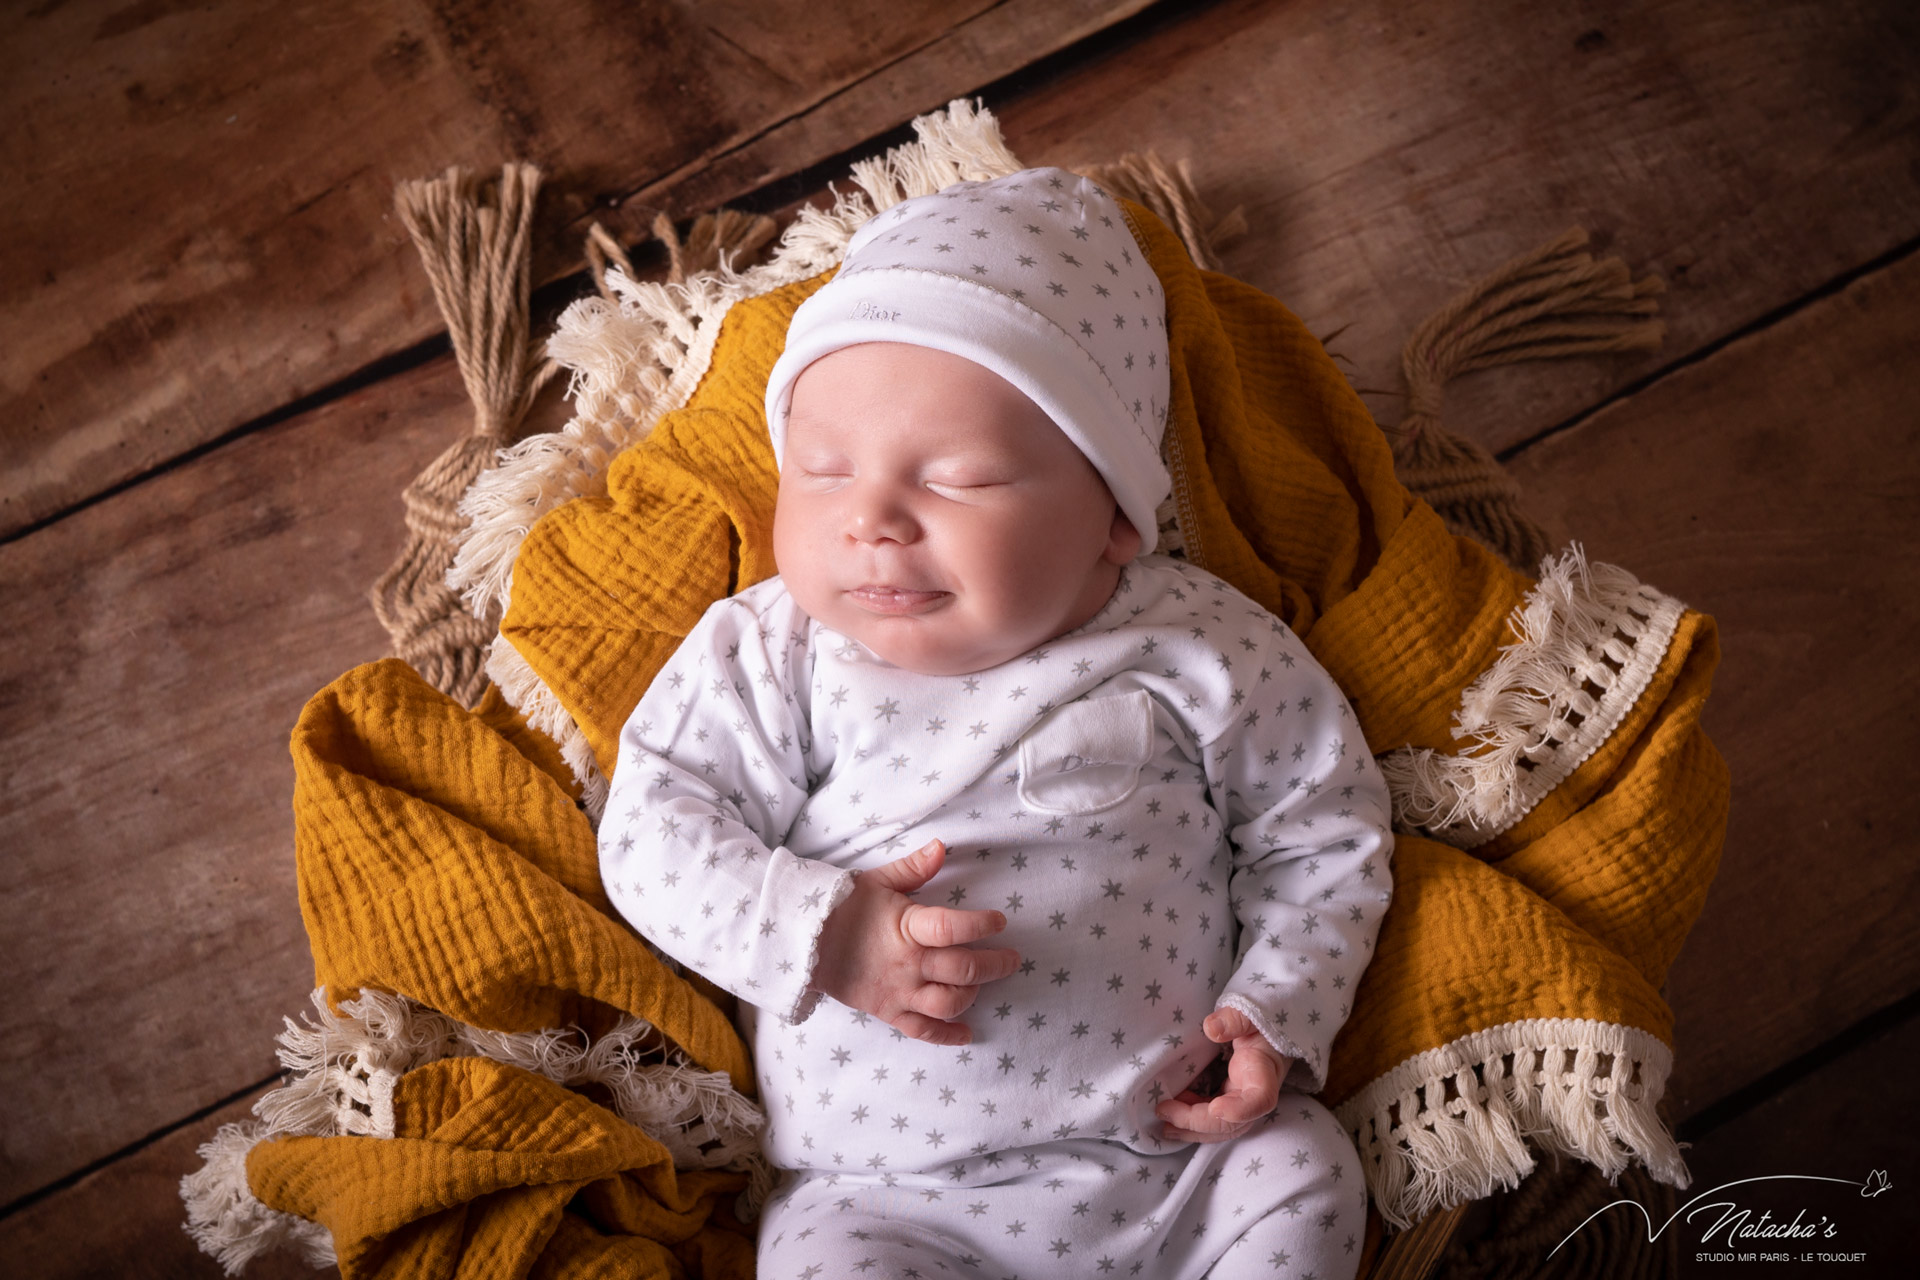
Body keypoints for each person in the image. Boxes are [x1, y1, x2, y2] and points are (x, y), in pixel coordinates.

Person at [598, 167, 1392, 1279]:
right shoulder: (774, 652)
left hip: (1174, 1168)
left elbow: (1323, 826)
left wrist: (1276, 1007)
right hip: (885, 1196)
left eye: (957, 478)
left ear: (1114, 512)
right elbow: (651, 827)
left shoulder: (1202, 644)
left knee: (1305, 1172)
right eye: (821, 473)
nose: (870, 518)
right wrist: (822, 930)